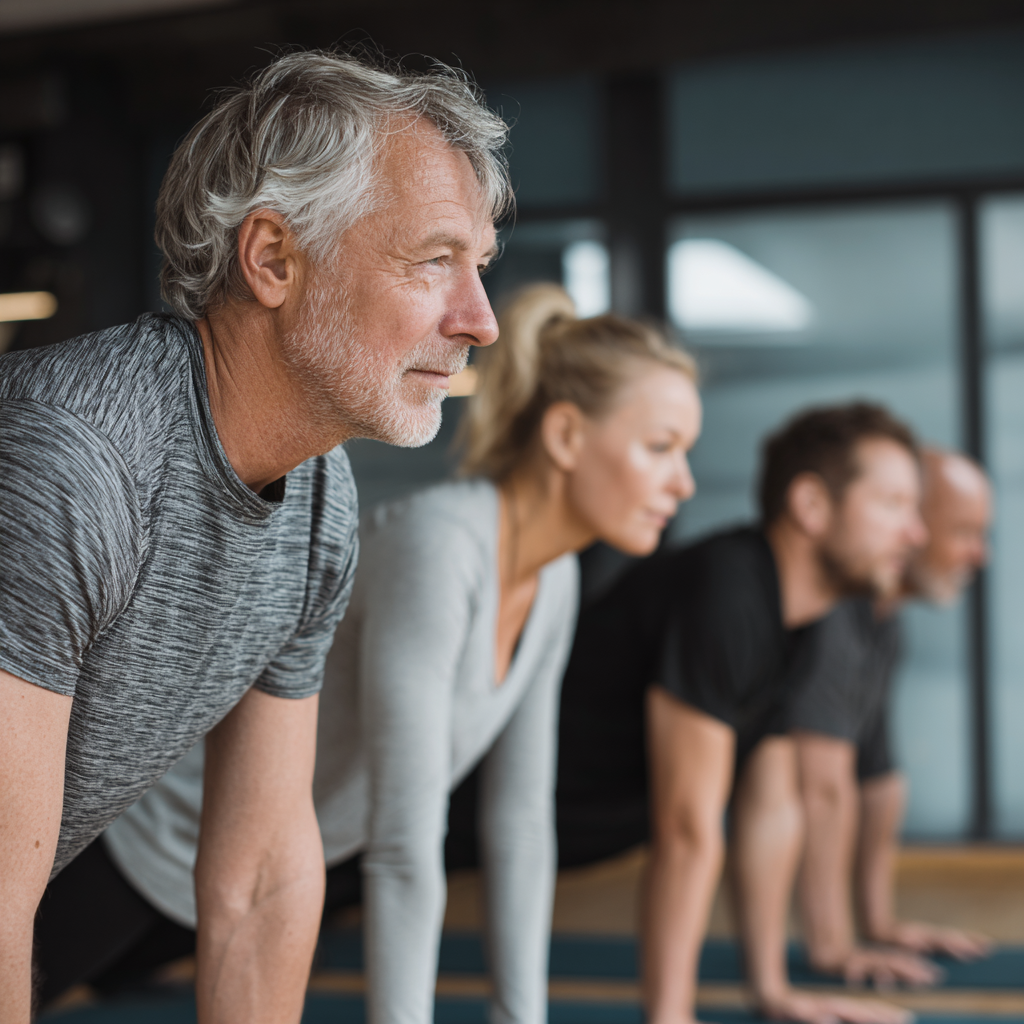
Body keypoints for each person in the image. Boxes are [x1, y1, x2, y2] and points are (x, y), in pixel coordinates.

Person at [33, 283, 704, 1024]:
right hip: (146, 848)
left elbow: (519, 825)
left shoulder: (556, 581)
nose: (684, 482)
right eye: (660, 447)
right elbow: (404, 845)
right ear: (568, 436)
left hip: (262, 877)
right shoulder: (441, 547)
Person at [3, 51, 511, 1022]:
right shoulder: (75, 462)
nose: (479, 319)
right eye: (433, 260)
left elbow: (264, 873)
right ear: (273, 258)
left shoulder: (317, 496)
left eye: (477, 267)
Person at [555, 402, 927, 1024]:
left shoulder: (801, 619)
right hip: (438, 815)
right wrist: (671, 1017)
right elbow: (687, 828)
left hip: (552, 833)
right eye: (893, 504)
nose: (915, 533)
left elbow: (770, 805)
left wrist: (773, 992)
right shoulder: (728, 592)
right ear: (811, 506)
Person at [792, 448, 994, 985]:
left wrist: (879, 924)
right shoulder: (832, 615)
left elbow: (876, 778)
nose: (980, 555)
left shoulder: (884, 622)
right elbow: (819, 790)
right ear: (911, 527)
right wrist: (834, 950)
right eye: (965, 532)